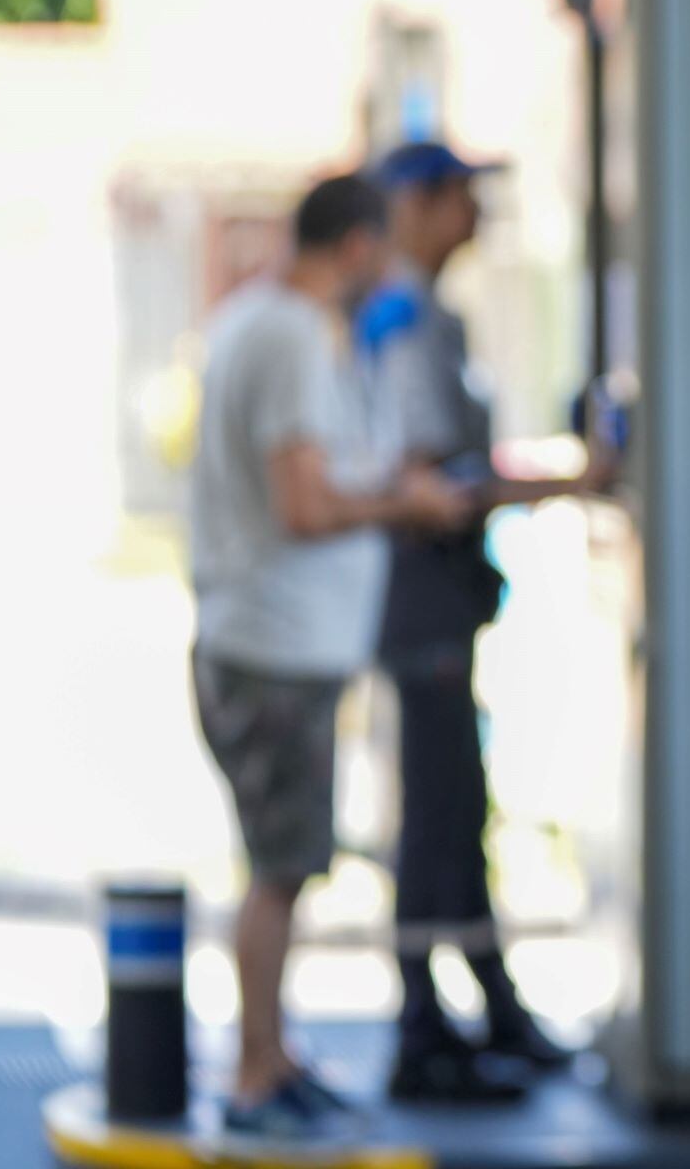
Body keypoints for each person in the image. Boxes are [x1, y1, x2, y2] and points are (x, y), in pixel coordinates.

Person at [189, 173, 472, 1136]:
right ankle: (254, 1081)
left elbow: (314, 474)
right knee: (280, 871)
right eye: (383, 249)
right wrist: (404, 504)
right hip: (273, 649)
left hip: (276, 643)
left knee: (290, 865)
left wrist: (386, 481)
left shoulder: (267, 326)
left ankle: (276, 1058)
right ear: (356, 246)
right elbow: (304, 506)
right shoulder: (290, 337)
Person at [362, 141, 614, 1103]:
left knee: (456, 810)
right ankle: (426, 1031)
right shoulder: (403, 319)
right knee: (438, 814)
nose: (475, 215)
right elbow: (430, 483)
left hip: (438, 601)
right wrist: (562, 481)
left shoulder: (426, 314)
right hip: (418, 596)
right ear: (419, 205)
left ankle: (489, 1010)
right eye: (461, 196)